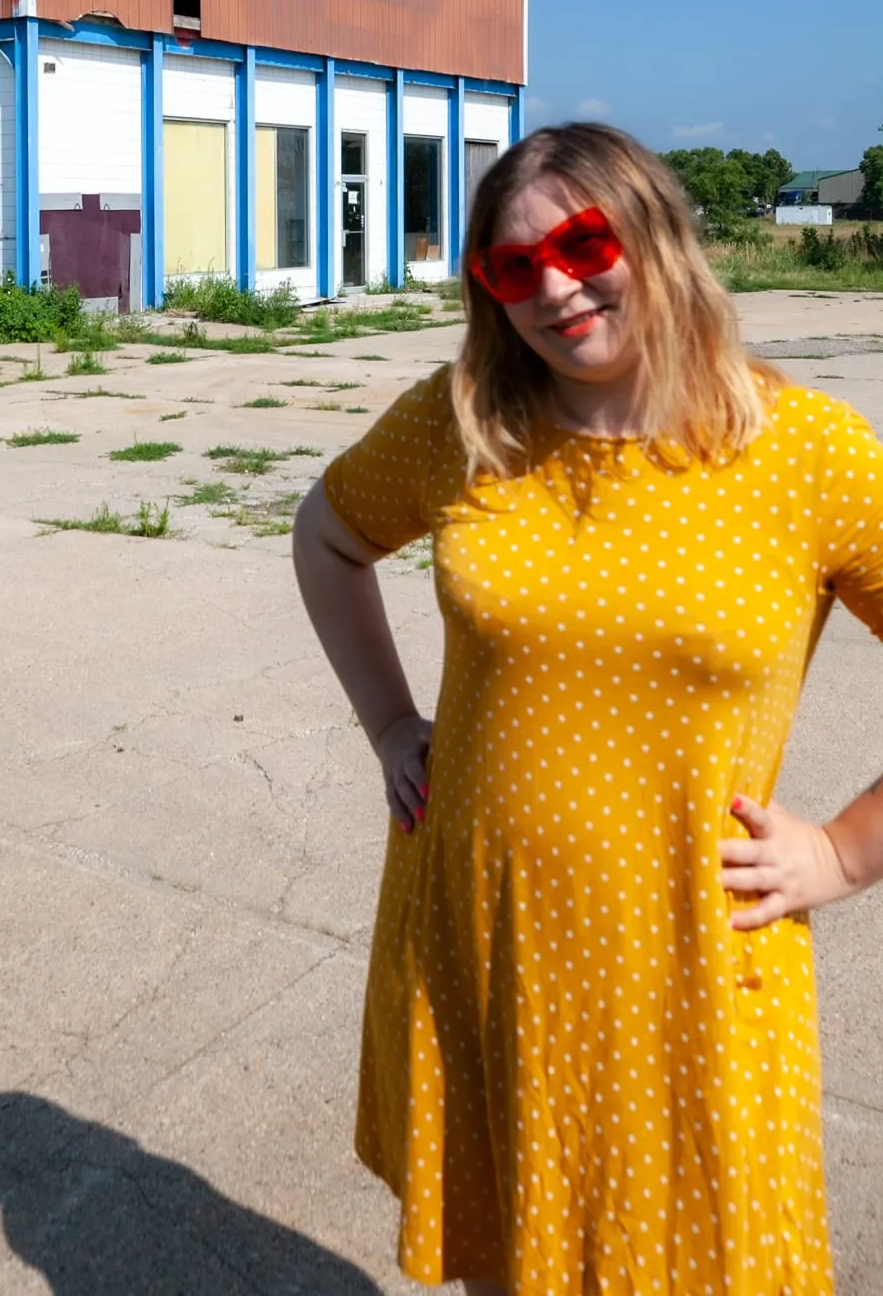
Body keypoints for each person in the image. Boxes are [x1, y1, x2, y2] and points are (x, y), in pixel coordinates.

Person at [292, 123, 883, 1295]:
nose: (553, 288)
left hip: (691, 959)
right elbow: (325, 534)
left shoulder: (804, 454)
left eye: (580, 242)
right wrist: (388, 725)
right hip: (483, 929)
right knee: (514, 1254)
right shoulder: (462, 425)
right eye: (511, 269)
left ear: (655, 234)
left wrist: (842, 853)